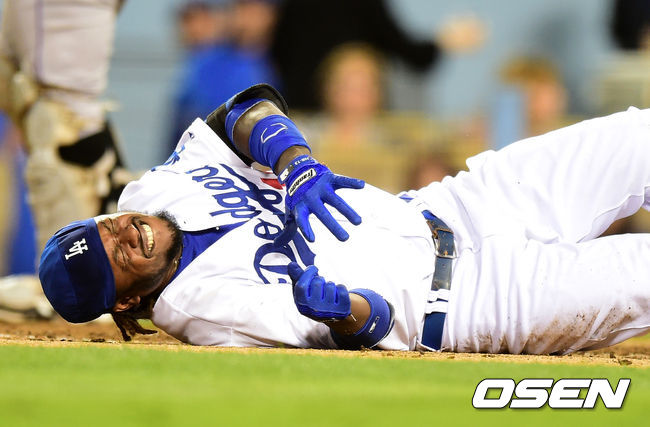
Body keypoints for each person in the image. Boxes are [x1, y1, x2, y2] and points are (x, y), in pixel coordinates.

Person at [39, 84, 650, 354]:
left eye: (105, 230)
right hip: (472, 302)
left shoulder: (153, 190)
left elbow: (244, 110)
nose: (124, 235)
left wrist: (295, 161)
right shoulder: (204, 311)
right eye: (116, 260)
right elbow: (369, 328)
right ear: (127, 302)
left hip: (458, 205)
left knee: (638, 135)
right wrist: (343, 309)